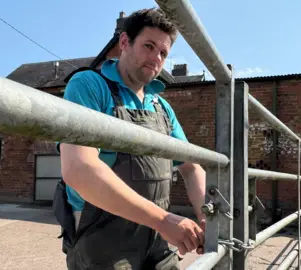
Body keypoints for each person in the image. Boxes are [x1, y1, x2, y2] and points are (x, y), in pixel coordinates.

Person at [53, 7, 206, 270]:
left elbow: (191, 167)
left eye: (163, 53)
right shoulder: (89, 85)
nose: (156, 57)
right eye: (148, 46)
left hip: (156, 234)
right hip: (102, 235)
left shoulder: (161, 106)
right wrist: (162, 219)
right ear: (124, 42)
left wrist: (206, 216)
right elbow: (79, 168)